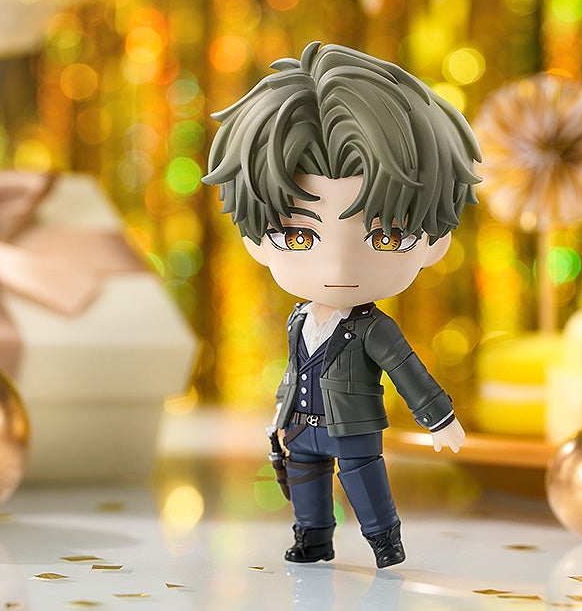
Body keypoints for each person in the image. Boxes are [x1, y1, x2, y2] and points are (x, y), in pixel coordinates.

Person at [203, 41, 481, 568]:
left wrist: (439, 418)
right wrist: (280, 415)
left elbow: (407, 369)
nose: (337, 267)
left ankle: (384, 540)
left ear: (435, 241)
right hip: (302, 425)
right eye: (300, 237)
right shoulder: (298, 319)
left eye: (384, 237)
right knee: (306, 481)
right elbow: (294, 370)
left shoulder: (372, 328)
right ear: (256, 240)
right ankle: (313, 537)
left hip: (354, 428)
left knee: (363, 481)